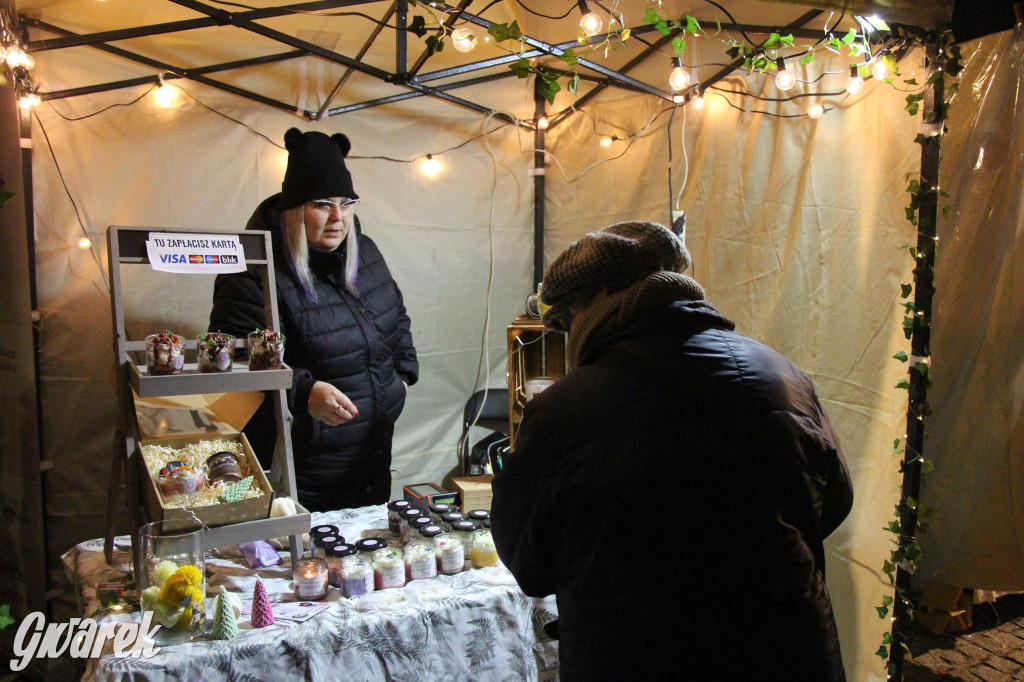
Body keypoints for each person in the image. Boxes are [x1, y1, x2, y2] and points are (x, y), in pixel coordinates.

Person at [490, 221, 853, 681]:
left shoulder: (565, 410)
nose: (568, 335)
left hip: (639, 655)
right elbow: (834, 503)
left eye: (568, 320)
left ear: (599, 301)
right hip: (786, 649)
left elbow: (530, 565)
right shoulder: (781, 374)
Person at [209, 128, 418, 512]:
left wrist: (401, 380)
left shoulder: (365, 252)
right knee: (298, 560)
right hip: (298, 469)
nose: (338, 218)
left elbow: (396, 318)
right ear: (294, 209)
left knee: (359, 559)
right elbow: (236, 358)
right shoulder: (253, 271)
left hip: (370, 459)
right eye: (323, 204)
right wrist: (304, 392)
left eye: (347, 203)